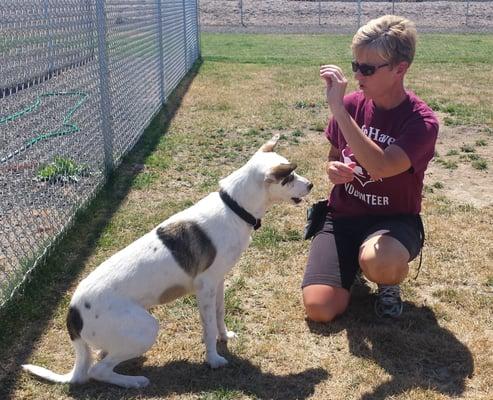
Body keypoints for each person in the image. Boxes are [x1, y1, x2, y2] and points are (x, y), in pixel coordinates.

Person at [302, 15, 439, 320]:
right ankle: (348, 266)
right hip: (344, 217)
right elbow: (334, 154)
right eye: (355, 66)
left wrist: (337, 109)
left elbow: (381, 166)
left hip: (394, 221)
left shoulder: (421, 122)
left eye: (367, 68)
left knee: (380, 259)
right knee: (319, 309)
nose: (358, 75)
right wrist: (333, 169)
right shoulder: (351, 104)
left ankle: (385, 281)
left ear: (399, 69)